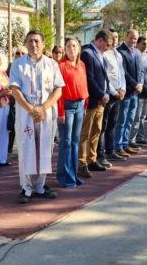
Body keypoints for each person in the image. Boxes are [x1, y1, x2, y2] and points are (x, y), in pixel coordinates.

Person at [9, 30, 64, 204]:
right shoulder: (18, 65)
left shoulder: (52, 64)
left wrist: (43, 108)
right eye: (30, 41)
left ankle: (40, 185)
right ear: (25, 44)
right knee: (26, 149)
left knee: (45, 148)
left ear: (43, 44)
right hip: (26, 113)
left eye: (37, 41)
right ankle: (26, 187)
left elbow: (58, 89)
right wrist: (32, 109)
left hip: (46, 113)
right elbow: (15, 90)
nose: (34, 45)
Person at [77, 29, 113, 178]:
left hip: (101, 101)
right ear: (100, 41)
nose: (109, 48)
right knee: (85, 133)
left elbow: (104, 76)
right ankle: (82, 163)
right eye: (108, 44)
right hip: (92, 100)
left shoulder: (100, 54)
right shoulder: (87, 53)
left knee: (96, 131)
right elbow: (89, 79)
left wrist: (107, 93)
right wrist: (101, 94)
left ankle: (92, 159)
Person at [56, 37, 88, 188]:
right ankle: (64, 176)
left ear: (79, 48)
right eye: (68, 46)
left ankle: (73, 175)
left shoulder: (81, 64)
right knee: (66, 142)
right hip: (67, 107)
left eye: (74, 46)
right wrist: (60, 111)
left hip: (80, 106)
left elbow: (84, 85)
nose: (71, 49)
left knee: (75, 142)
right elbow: (58, 91)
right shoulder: (61, 66)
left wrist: (85, 105)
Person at [97, 29, 126, 165]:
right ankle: (100, 154)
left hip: (119, 94)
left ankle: (110, 150)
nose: (115, 40)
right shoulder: (104, 55)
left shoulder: (118, 55)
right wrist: (114, 92)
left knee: (112, 124)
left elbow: (121, 74)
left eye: (116, 37)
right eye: (112, 38)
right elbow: (106, 77)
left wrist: (123, 89)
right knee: (103, 126)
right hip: (110, 94)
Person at [115, 29, 143, 154]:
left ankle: (125, 143)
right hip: (126, 91)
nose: (133, 41)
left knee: (130, 119)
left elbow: (141, 70)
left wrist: (141, 84)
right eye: (131, 38)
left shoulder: (137, 52)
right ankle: (118, 145)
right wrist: (135, 84)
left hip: (135, 93)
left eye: (135, 39)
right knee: (122, 120)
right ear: (126, 37)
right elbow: (124, 72)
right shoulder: (120, 51)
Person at [129, 36, 147, 147]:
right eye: (143, 43)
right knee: (137, 117)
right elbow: (140, 76)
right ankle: (132, 139)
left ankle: (140, 137)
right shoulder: (136, 57)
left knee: (143, 116)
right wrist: (146, 89)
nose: (146, 46)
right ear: (138, 44)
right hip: (140, 92)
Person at [7, 46, 27, 153]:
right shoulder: (12, 65)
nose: (20, 55)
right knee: (13, 125)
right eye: (18, 53)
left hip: (27, 101)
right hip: (13, 100)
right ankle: (9, 148)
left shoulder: (30, 65)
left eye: (23, 53)